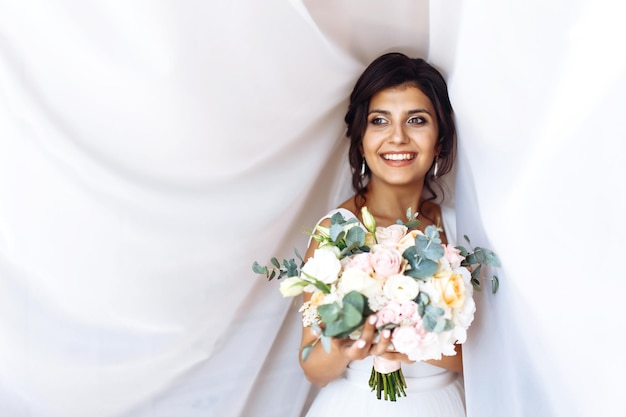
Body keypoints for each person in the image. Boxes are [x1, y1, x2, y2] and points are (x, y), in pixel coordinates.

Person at [300, 52, 465, 416]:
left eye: (417, 120)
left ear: (440, 141)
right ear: (361, 140)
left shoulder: (459, 230)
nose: (398, 137)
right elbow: (312, 365)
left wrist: (415, 342)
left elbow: (487, 356)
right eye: (380, 121)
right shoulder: (335, 231)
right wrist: (347, 348)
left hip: (442, 404)